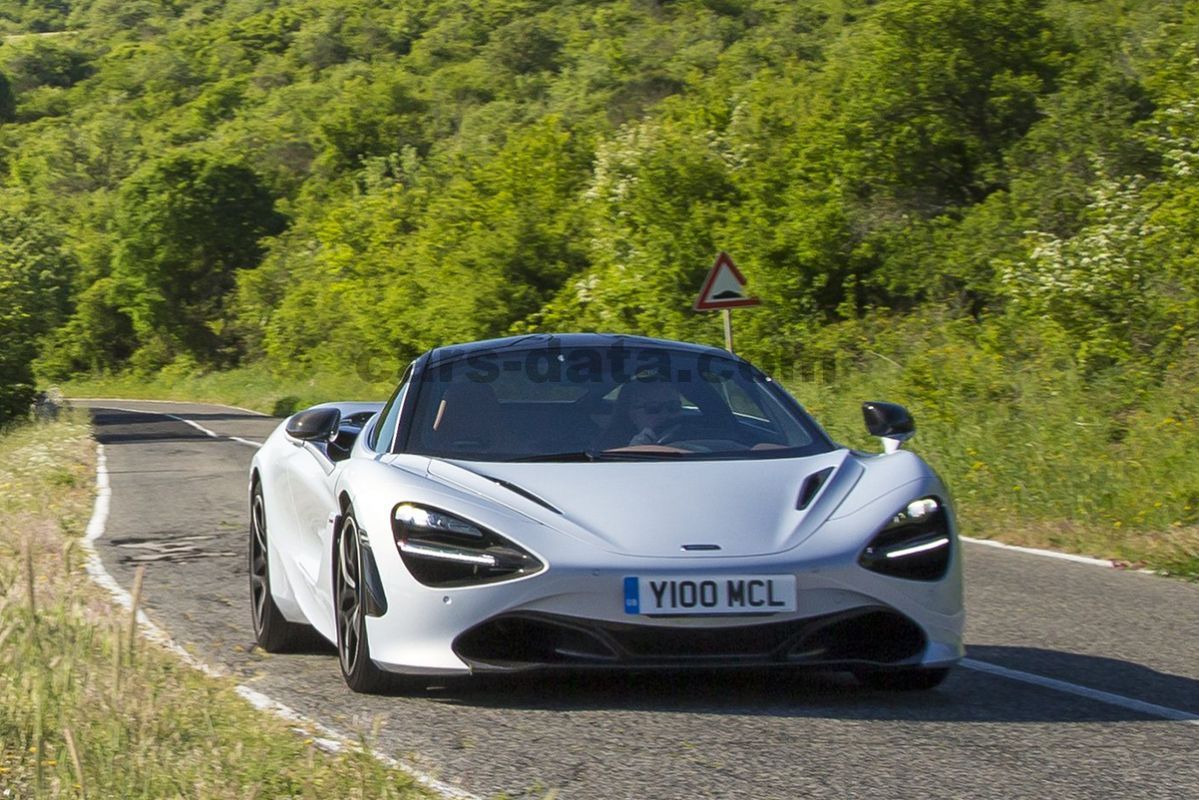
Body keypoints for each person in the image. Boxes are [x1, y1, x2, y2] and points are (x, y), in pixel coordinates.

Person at [617, 380, 685, 446]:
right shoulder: (611, 451)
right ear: (632, 415)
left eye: (673, 406)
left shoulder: (693, 438)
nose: (665, 414)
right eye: (653, 407)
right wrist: (635, 450)